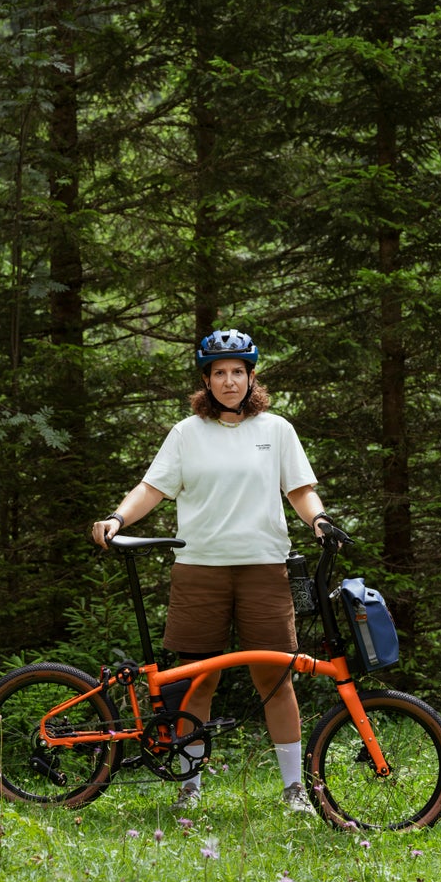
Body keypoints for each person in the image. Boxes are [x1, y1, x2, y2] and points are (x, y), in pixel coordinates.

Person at [91, 329, 332, 813]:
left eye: (237, 372)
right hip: (200, 571)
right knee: (197, 681)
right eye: (219, 373)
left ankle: (295, 790)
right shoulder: (187, 433)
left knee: (275, 679)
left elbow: (299, 490)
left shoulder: (276, 430)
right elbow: (152, 488)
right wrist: (117, 518)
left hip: (263, 568)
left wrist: (320, 521)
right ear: (206, 380)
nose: (229, 381)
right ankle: (190, 786)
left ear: (251, 376)